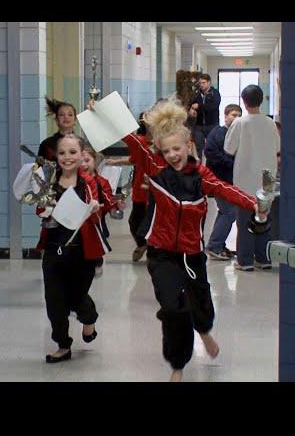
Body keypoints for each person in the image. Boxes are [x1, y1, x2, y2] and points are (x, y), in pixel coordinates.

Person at [88, 97, 267, 382]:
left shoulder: (200, 175)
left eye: (177, 148)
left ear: (188, 146)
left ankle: (205, 331)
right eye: (167, 149)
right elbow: (130, 138)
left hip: (192, 253)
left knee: (201, 302)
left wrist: (253, 204)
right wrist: (100, 112)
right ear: (159, 149)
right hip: (161, 253)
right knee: (173, 308)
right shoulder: (155, 169)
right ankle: (178, 365)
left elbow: (226, 189)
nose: (173, 154)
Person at [35, 134, 108, 363]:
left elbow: (99, 208)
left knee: (76, 297)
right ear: (56, 156)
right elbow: (39, 209)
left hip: (81, 252)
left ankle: (89, 317)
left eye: (73, 152)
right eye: (62, 153)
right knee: (55, 301)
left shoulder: (89, 184)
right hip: (54, 251)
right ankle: (63, 345)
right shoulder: (49, 183)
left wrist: (95, 208)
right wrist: (44, 210)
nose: (67, 157)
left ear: (82, 155)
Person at [224, 85, 280, 271]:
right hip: (267, 178)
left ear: (244, 102)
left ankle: (245, 260)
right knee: (263, 217)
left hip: (245, 178)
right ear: (262, 100)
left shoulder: (240, 123)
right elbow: (277, 148)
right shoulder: (270, 123)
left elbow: (228, 148)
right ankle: (264, 259)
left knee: (245, 219)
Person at [105, 110, 154, 262]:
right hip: (141, 191)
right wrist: (115, 162)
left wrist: (105, 113)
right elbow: (134, 159)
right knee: (135, 222)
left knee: (148, 223)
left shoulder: (158, 145)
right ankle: (143, 245)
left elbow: (124, 135)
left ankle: (149, 248)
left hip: (154, 193)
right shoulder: (141, 143)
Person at [205, 104, 242, 260]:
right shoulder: (218, 133)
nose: (236, 118)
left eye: (239, 115)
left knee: (225, 212)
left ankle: (217, 244)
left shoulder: (237, 134)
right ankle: (214, 245)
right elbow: (211, 153)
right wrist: (232, 163)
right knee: (229, 212)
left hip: (230, 180)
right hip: (220, 180)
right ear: (225, 116)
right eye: (233, 115)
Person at [81, 144, 124, 276]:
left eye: (87, 161)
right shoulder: (74, 181)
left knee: (95, 246)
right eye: (79, 161)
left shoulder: (101, 182)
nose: (83, 165)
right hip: (79, 223)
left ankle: (97, 262)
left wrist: (115, 207)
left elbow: (108, 200)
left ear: (95, 161)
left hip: (96, 222)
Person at [190, 74, 221, 161]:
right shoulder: (197, 94)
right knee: (198, 147)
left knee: (212, 147)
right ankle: (199, 169)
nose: (201, 85)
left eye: (203, 83)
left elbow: (212, 107)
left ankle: (211, 167)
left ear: (209, 83)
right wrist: (191, 109)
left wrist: (198, 106)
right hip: (199, 125)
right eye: (200, 83)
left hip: (212, 125)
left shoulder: (215, 93)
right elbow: (192, 104)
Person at [38, 96, 78, 161]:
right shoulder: (46, 144)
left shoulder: (81, 143)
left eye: (70, 115)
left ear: (75, 120)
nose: (66, 117)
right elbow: (38, 169)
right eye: (62, 115)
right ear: (56, 120)